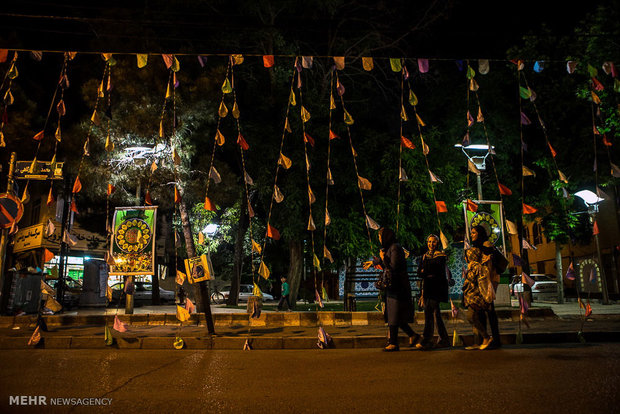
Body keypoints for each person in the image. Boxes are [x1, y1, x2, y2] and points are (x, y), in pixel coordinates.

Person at [373, 227, 419, 352]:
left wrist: (383, 258)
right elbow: (386, 265)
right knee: (393, 313)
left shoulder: (395, 248)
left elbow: (393, 266)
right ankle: (412, 335)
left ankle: (393, 342)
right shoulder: (390, 248)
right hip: (392, 286)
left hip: (398, 286)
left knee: (394, 313)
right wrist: (375, 262)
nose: (379, 239)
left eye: (380, 236)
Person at [416, 234, 451, 350]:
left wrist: (425, 270)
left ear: (437, 243)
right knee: (435, 314)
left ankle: (427, 339)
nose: (431, 244)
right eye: (429, 242)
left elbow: (435, 270)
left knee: (429, 312)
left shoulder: (440, 256)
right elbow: (419, 272)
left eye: (434, 242)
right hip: (427, 288)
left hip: (437, 288)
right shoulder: (424, 256)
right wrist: (426, 271)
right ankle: (444, 339)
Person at [470, 225, 502, 349]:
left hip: (489, 281)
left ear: (480, 233)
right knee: (482, 310)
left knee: (489, 310)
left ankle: (494, 340)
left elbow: (487, 265)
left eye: (474, 233)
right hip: (482, 281)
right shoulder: (477, 246)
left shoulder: (486, 245)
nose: (472, 235)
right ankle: (486, 339)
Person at [462, 247, 493, 350]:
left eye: (467, 256)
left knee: (471, 317)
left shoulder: (475, 267)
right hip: (472, 297)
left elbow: (472, 280)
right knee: (474, 318)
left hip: (476, 297)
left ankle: (486, 337)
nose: (465, 258)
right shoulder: (474, 266)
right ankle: (478, 341)